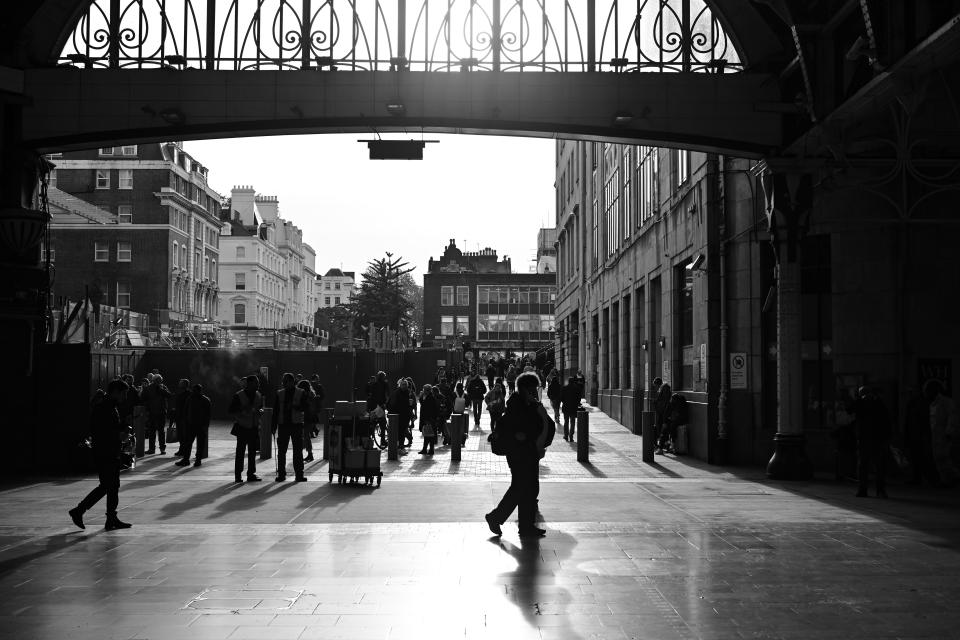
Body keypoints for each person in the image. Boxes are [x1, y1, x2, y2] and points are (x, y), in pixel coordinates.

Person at [485, 371, 555, 538]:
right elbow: (520, 429)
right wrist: (523, 435)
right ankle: (496, 517)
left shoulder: (532, 406)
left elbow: (546, 426)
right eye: (532, 388)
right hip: (519, 455)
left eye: (536, 388)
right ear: (524, 389)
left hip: (530, 453)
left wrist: (541, 416)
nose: (534, 392)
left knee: (529, 489)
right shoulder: (516, 405)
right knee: (520, 487)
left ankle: (525, 526)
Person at [69, 379, 132, 531]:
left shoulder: (109, 407)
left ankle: (109, 517)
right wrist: (119, 435)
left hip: (107, 451)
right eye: (123, 393)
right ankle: (81, 511)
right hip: (105, 452)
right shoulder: (105, 408)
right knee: (109, 486)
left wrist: (122, 428)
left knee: (110, 486)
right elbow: (101, 432)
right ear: (115, 392)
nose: (125, 397)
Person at [272, 373, 311, 482]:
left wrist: (295, 407)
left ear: (291, 381)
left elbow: (306, 407)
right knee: (281, 451)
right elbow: (276, 411)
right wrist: (273, 425)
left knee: (298, 451)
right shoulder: (279, 393)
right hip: (283, 425)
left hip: (296, 425)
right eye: (283, 382)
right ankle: (281, 475)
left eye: (285, 381)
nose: (283, 383)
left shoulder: (301, 392)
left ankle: (299, 475)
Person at [853, 386, 892, 498]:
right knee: (878, 465)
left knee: (864, 465)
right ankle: (880, 490)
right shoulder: (879, 404)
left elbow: (850, 409)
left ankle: (863, 490)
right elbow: (887, 421)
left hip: (867, 439)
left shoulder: (861, 404)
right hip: (877, 439)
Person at [229, 375, 264, 483]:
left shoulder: (258, 395)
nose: (258, 385)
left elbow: (260, 407)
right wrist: (243, 410)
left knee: (252, 451)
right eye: (256, 383)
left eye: (258, 383)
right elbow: (231, 410)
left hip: (253, 427)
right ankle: (238, 475)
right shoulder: (238, 395)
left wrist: (260, 411)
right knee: (240, 452)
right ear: (249, 384)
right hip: (242, 427)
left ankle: (251, 474)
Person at [925, 379, 959, 486]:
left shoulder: (946, 402)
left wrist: (949, 432)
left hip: (944, 435)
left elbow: (952, 417)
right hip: (936, 435)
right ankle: (946, 480)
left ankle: (954, 478)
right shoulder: (932, 403)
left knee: (944, 458)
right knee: (939, 459)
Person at [178, 384, 210, 467]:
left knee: (188, 443)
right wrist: (206, 425)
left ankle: (186, 460)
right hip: (198, 425)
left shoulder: (190, 398)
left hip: (191, 425)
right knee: (199, 444)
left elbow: (185, 412)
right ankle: (197, 460)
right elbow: (208, 415)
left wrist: (185, 423)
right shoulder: (205, 400)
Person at [141, 374, 171, 454]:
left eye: (160, 380)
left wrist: (162, 390)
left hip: (159, 412)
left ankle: (158, 449)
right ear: (155, 380)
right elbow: (143, 398)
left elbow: (169, 395)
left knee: (158, 431)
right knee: (154, 431)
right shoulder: (149, 388)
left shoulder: (162, 387)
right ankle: (155, 449)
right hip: (154, 412)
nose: (160, 381)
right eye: (159, 380)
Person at [388, 378, 413, 452]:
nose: (404, 386)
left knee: (402, 431)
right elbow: (392, 404)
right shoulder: (396, 393)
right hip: (397, 415)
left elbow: (411, 403)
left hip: (405, 415)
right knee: (399, 432)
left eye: (405, 385)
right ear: (400, 385)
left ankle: (400, 446)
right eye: (403, 384)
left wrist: (411, 405)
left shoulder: (408, 392)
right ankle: (399, 446)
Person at [305, 375, 326, 462]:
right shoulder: (316, 389)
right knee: (306, 435)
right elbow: (323, 396)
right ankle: (315, 430)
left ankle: (309, 454)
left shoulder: (308, 393)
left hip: (308, 415)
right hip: (312, 413)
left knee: (305, 436)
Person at [170, 378, 191, 459]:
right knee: (180, 435)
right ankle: (181, 449)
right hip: (179, 416)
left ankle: (184, 450)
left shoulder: (188, 394)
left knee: (184, 435)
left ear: (185, 385)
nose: (179, 384)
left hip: (184, 417)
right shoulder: (180, 393)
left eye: (181, 383)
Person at [418, 383, 439, 455]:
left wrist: (429, 419)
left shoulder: (430, 398)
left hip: (429, 419)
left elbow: (430, 409)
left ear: (428, 390)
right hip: (426, 418)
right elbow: (422, 402)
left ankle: (430, 449)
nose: (423, 391)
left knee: (430, 435)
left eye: (424, 390)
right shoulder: (426, 396)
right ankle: (426, 449)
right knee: (427, 434)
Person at [560, 377, 582, 441]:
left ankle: (566, 436)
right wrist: (576, 403)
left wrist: (565, 402)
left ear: (568, 381)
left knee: (566, 422)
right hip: (573, 408)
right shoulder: (577, 389)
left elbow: (561, 398)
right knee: (572, 422)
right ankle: (571, 436)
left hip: (566, 407)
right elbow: (579, 398)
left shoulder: (564, 388)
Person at [652, 377, 671, 446]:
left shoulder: (665, 388)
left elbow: (665, 401)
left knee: (662, 428)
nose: (655, 388)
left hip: (664, 412)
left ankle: (663, 444)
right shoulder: (662, 388)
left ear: (658, 384)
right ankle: (662, 443)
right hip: (661, 412)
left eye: (655, 386)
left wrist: (657, 403)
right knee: (659, 426)